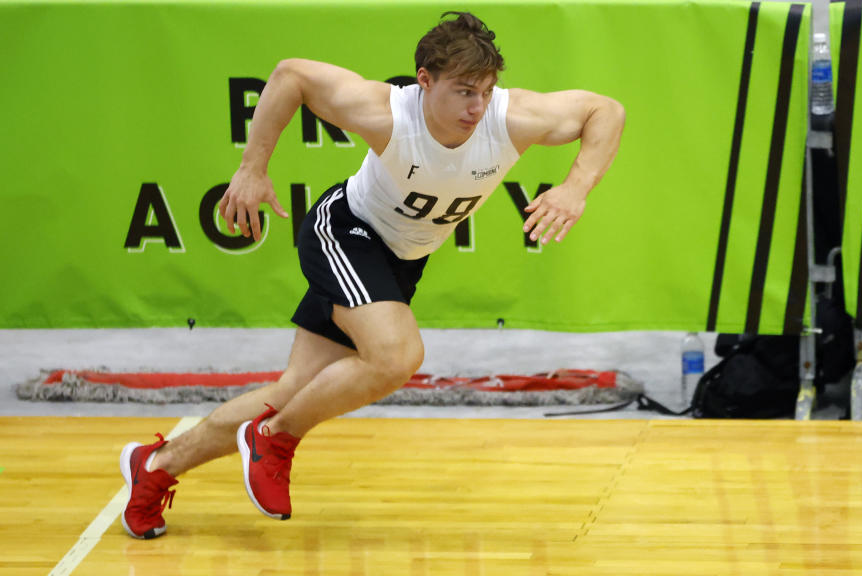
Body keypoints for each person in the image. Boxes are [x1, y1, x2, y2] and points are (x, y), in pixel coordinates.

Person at [119, 11, 625, 539]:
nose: (476, 108)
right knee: (397, 356)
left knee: (297, 386)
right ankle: (275, 438)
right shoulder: (386, 112)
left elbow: (605, 111)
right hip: (345, 231)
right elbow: (291, 74)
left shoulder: (510, 117)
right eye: (462, 92)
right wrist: (252, 167)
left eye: (485, 91)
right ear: (424, 80)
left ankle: (153, 469)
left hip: (400, 259)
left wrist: (576, 188)